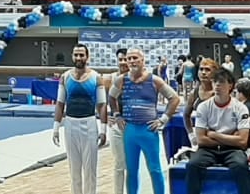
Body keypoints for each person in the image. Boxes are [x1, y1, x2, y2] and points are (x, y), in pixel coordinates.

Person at [108, 48, 180, 194]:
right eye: (129, 59)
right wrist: (117, 115)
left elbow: (174, 98)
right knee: (132, 170)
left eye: (135, 58)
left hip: (148, 130)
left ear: (143, 60)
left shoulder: (154, 80)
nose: (131, 61)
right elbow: (111, 97)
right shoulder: (121, 80)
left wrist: (163, 119)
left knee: (155, 169)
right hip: (130, 130)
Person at [186, 67, 250, 194]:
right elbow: (201, 140)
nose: (217, 85)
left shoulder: (241, 108)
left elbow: (243, 142)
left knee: (241, 166)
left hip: (233, 151)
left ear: (230, 86)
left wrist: (213, 134)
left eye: (221, 82)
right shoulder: (203, 107)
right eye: (215, 81)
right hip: (208, 150)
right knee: (192, 165)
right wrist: (230, 138)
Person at [54, 44, 107, 194]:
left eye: (81, 55)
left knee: (90, 169)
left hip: (89, 123)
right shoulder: (65, 77)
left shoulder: (96, 78)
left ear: (87, 57)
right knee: (74, 169)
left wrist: (103, 130)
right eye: (76, 55)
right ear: (72, 56)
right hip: (70, 123)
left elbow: (102, 105)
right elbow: (59, 104)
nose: (78, 58)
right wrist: (56, 128)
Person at [107, 52, 130, 194]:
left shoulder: (136, 79)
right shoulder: (110, 78)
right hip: (116, 124)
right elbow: (101, 101)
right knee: (119, 164)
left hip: (133, 125)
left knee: (132, 165)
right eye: (120, 59)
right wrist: (104, 116)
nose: (122, 62)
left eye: (125, 59)